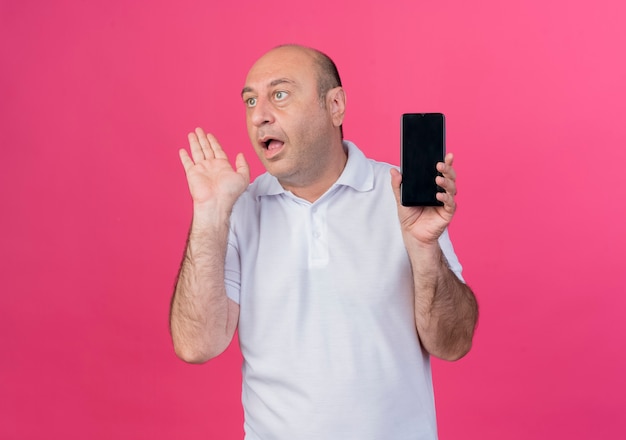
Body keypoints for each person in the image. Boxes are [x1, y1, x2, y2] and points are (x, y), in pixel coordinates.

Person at [170, 44, 478, 440]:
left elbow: (453, 343)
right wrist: (210, 216)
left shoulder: (399, 195)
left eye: (279, 94)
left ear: (335, 106)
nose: (260, 115)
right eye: (250, 101)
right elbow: (197, 345)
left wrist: (424, 248)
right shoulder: (238, 210)